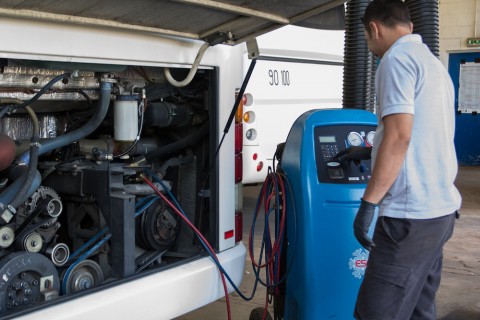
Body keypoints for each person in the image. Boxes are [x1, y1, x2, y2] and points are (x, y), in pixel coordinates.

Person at [336, 0, 462, 319]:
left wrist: (369, 203)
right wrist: (368, 151)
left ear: (374, 29)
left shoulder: (396, 60)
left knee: (376, 313)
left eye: (367, 40)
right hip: (440, 213)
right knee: (419, 308)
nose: (371, 49)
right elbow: (422, 134)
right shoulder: (434, 66)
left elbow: (399, 134)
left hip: (409, 217)